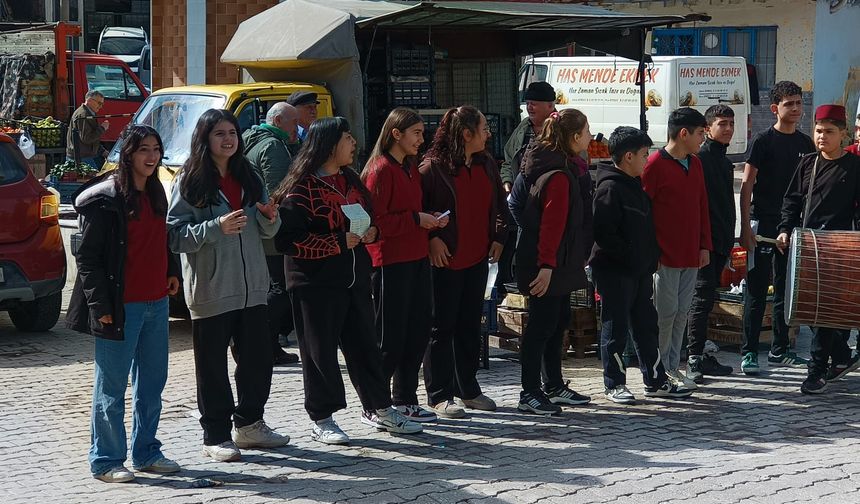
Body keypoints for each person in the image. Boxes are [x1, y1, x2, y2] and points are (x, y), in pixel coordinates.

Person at [273, 116, 423, 445]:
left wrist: (373, 232)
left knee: (366, 347)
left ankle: (380, 407)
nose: (354, 144)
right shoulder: (301, 188)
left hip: (355, 278)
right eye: (347, 138)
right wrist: (337, 243)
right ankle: (322, 417)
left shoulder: (352, 180)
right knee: (319, 352)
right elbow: (287, 240)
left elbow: (372, 219)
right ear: (328, 145)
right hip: (315, 283)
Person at [167, 109, 290, 463]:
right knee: (212, 369)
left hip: (253, 288)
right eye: (220, 133)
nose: (228, 140)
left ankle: (250, 424)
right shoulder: (189, 180)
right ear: (205, 138)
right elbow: (174, 236)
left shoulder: (249, 175)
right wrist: (214, 227)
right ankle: (216, 435)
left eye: (232, 133)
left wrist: (270, 217)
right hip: (211, 289)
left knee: (257, 361)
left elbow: (267, 230)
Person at [66, 125, 181, 483]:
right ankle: (105, 460)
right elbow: (88, 259)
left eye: (156, 149)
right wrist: (101, 307)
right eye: (143, 149)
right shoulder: (105, 199)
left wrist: (171, 270)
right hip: (120, 307)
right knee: (111, 389)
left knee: (152, 384)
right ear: (127, 154)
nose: (151, 156)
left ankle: (146, 452)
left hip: (156, 303)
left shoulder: (158, 192)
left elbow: (162, 237)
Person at [590, 126, 694, 404]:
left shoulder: (635, 185)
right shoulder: (609, 188)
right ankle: (615, 384)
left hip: (640, 272)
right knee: (616, 328)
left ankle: (656, 380)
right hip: (615, 272)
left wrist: (648, 258)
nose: (647, 160)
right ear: (627, 157)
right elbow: (603, 233)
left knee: (646, 326)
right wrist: (630, 256)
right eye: (644, 154)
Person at [420, 105, 508, 419]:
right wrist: (432, 239)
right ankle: (439, 395)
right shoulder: (432, 168)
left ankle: (468, 388)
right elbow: (418, 211)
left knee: (471, 326)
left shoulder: (486, 164)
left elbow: (500, 204)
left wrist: (499, 236)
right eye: (484, 128)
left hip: (477, 259)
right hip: (445, 261)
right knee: (441, 328)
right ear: (466, 134)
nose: (489, 133)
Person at [361, 108, 449, 423]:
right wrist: (416, 219)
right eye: (416, 133)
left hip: (415, 257)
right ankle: (375, 403)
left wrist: (428, 221)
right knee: (390, 336)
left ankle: (405, 398)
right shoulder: (380, 169)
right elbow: (375, 221)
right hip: (389, 261)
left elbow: (412, 209)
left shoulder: (410, 166)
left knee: (417, 330)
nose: (421, 140)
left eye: (423, 133)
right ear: (396, 134)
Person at [509, 108, 593, 415]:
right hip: (546, 265)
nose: (590, 135)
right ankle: (529, 392)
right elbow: (550, 226)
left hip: (558, 262)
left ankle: (554, 385)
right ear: (573, 137)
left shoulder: (564, 165)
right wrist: (545, 266)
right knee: (540, 327)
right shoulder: (558, 175)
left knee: (558, 322)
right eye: (586, 130)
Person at [777, 104, 860, 394]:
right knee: (808, 309)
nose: (822, 136)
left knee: (823, 313)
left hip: (838, 249)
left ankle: (816, 371)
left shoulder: (854, 167)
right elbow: (791, 201)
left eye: (829, 132)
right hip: (806, 247)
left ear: (844, 134)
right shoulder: (807, 163)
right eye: (818, 130)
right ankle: (839, 356)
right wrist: (785, 230)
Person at [739, 81, 814, 375]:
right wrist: (745, 227)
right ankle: (748, 352)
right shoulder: (762, 141)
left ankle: (780, 349)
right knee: (757, 291)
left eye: (798, 103)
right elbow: (746, 185)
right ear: (775, 108)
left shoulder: (806, 144)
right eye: (789, 104)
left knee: (786, 290)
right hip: (763, 226)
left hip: (793, 229)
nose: (796, 109)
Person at [641, 107, 711, 390]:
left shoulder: (695, 164)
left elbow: (702, 207)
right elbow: (643, 213)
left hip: (691, 255)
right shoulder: (654, 164)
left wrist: (704, 244)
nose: (702, 140)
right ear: (683, 133)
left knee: (682, 313)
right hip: (664, 258)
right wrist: (651, 253)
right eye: (699, 134)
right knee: (664, 314)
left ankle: (673, 367)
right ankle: (658, 372)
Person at [243, 102, 301, 366]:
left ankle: (259, 343)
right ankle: (267, 344)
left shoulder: (251, 139)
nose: (296, 128)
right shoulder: (273, 147)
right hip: (271, 227)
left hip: (257, 226)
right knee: (279, 287)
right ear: (277, 121)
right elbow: (280, 190)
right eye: (292, 122)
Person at [685, 105, 736, 383]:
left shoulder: (725, 162)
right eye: (722, 124)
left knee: (708, 299)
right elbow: (699, 207)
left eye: (731, 123)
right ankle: (693, 358)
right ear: (707, 128)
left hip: (721, 241)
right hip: (704, 243)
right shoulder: (700, 160)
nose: (728, 129)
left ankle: (701, 353)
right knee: (701, 299)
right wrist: (704, 242)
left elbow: (726, 205)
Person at [497, 81, 557, 296]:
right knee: (524, 248)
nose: (530, 108)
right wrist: (507, 182)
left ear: (550, 106)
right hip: (523, 203)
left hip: (551, 203)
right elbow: (507, 161)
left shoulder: (563, 128)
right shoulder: (523, 128)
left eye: (535, 104)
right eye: (528, 103)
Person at [66, 90, 111, 170]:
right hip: (81, 158)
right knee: (93, 181)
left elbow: (92, 137)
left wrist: (102, 150)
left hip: (84, 156)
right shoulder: (83, 114)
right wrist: (102, 128)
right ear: (89, 101)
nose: (100, 106)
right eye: (99, 103)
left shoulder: (89, 113)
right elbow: (87, 138)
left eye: (102, 104)